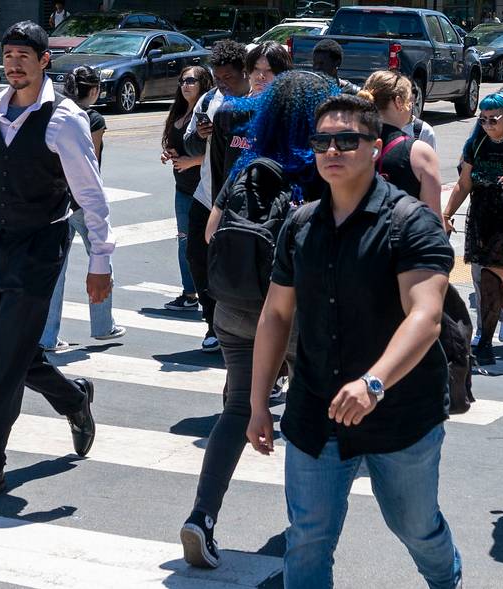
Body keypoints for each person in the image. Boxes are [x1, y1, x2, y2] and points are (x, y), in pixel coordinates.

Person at [246, 93, 463, 589]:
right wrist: (257, 402)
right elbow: (276, 314)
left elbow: (426, 315)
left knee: (414, 526)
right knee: (307, 538)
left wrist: (374, 382)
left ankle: (445, 578)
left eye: (348, 140)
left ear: (375, 146)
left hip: (401, 411)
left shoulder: (411, 222)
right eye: (323, 141)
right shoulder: (301, 224)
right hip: (315, 408)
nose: (333, 150)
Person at [0, 21, 110, 504]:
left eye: (23, 56)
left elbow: (91, 195)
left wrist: (101, 262)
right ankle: (74, 397)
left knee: (4, 366)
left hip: (40, 250)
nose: (14, 64)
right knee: (14, 355)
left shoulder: (63, 119)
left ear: (44, 60)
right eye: (8, 55)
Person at [180, 70, 338, 570]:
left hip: (234, 309)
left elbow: (210, 233)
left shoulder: (247, 165)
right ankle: (303, 529)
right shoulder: (320, 171)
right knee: (309, 418)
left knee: (235, 408)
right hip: (293, 315)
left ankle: (202, 516)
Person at [41, 65, 126, 351]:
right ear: (93, 91)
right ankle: (102, 325)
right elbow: (93, 163)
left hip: (59, 202)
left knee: (56, 269)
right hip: (84, 203)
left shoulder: (56, 114)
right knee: (100, 258)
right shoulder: (93, 119)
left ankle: (48, 336)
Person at [182, 40, 257, 354]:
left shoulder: (256, 105)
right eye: (218, 78)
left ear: (244, 73)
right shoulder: (210, 101)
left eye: (229, 78)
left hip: (242, 204)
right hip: (206, 195)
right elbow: (188, 145)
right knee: (197, 259)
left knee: (237, 269)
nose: (223, 84)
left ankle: (243, 332)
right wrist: (199, 137)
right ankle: (212, 323)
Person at [444, 92, 503, 365]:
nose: (488, 125)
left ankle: (485, 346)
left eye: (494, 119)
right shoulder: (476, 144)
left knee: (490, 280)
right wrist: (446, 214)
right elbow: (463, 184)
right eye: (484, 119)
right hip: (482, 220)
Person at [163, 65, 215, 312]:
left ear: (203, 82)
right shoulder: (179, 111)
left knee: (205, 241)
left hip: (203, 189)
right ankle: (189, 292)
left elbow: (218, 152)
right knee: (184, 241)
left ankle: (210, 294)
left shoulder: (207, 110)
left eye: (191, 80)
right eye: (183, 80)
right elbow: (175, 144)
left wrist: (190, 161)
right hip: (181, 187)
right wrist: (170, 154)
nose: (185, 85)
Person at [361, 70, 445, 215]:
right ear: (399, 102)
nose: (411, 108)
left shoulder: (346, 143)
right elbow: (433, 220)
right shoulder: (419, 152)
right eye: (409, 102)